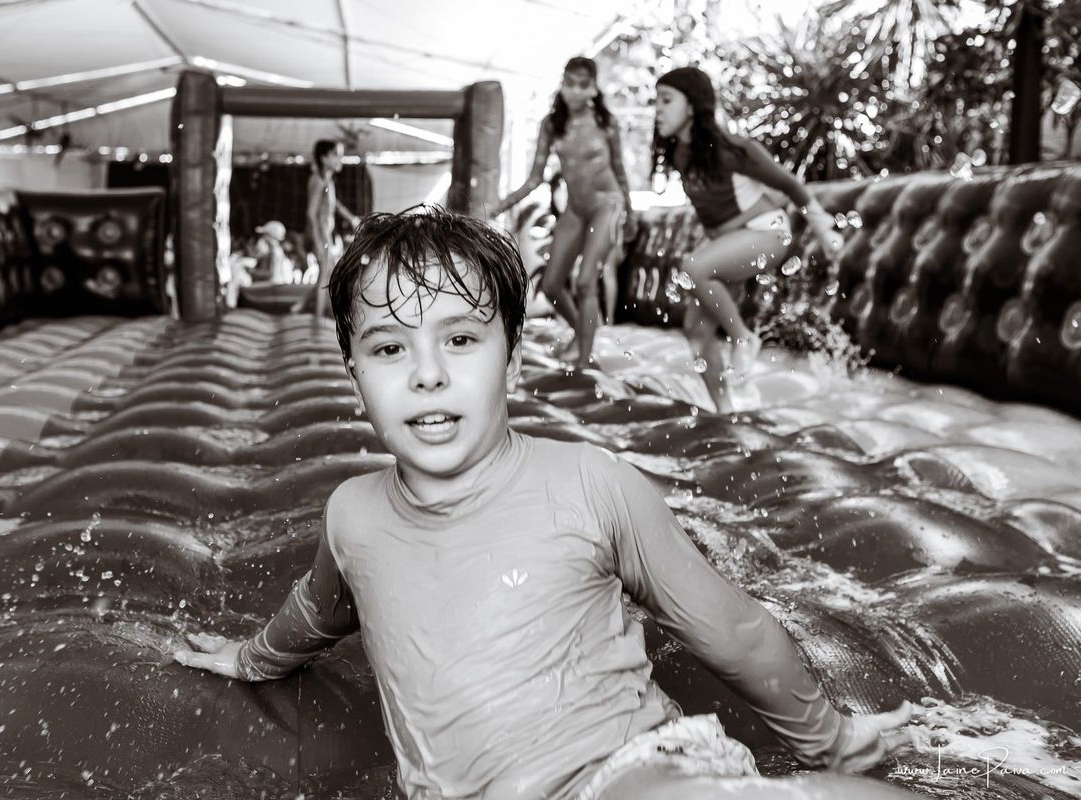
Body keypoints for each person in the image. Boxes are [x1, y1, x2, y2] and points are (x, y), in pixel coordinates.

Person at [173, 207, 913, 800]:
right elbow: (317, 611)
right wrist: (251, 659)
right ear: (352, 372)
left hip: (629, 772)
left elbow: (737, 631)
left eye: (460, 338)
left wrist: (831, 739)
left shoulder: (591, 484)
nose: (427, 374)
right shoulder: (352, 515)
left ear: (515, 358)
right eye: (389, 349)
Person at [652, 66, 844, 413]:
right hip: (735, 242)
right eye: (656, 102)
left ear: (693, 106)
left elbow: (790, 186)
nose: (658, 110)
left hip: (768, 232)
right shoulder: (681, 155)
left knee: (692, 267)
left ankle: (744, 336)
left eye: (666, 100)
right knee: (695, 331)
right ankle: (726, 409)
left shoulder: (732, 149)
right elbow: (714, 216)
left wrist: (823, 228)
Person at [492, 56, 635, 368]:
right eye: (569, 83)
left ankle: (585, 360)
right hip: (576, 209)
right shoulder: (552, 125)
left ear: (594, 89)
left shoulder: (605, 124)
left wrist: (631, 214)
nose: (575, 92)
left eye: (583, 85)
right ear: (563, 85)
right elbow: (534, 179)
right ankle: (582, 333)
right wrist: (502, 204)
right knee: (552, 284)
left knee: (586, 282)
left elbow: (620, 172)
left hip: (607, 205)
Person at [295, 139, 361, 318]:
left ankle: (299, 307)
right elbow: (311, 213)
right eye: (336, 155)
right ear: (324, 158)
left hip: (325, 234)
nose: (340, 159)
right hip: (320, 234)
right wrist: (318, 239)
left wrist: (351, 218)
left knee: (326, 274)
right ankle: (318, 316)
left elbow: (335, 204)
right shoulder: (317, 181)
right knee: (326, 275)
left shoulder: (327, 181)